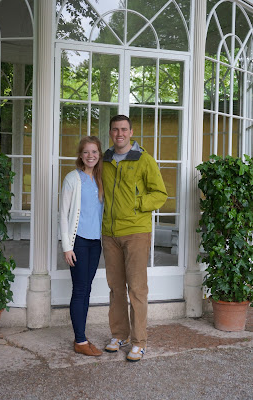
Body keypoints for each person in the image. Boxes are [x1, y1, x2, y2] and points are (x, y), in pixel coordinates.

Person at [102, 115, 168, 362]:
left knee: (137, 289)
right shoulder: (105, 160)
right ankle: (120, 335)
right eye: (115, 130)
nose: (119, 134)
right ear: (110, 132)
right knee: (115, 288)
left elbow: (160, 193)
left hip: (136, 233)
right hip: (109, 234)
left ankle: (140, 341)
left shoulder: (143, 160)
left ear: (131, 132)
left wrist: (136, 204)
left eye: (123, 129)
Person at [60, 136, 103, 357]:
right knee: (80, 289)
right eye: (86, 152)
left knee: (87, 288)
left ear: (99, 154)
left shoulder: (101, 179)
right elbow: (64, 214)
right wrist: (67, 247)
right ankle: (80, 340)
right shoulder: (72, 179)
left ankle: (82, 337)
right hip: (78, 241)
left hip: (96, 243)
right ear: (80, 155)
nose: (90, 156)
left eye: (94, 152)